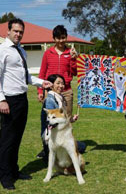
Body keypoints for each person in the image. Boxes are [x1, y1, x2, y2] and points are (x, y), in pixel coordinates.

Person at [0, 18, 52, 190]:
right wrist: (1, 99)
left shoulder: (21, 51)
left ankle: (14, 170)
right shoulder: (0, 51)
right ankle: (5, 176)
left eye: (20, 32)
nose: (18, 34)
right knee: (7, 140)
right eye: (15, 31)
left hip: (21, 100)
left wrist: (42, 83)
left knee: (17, 139)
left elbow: (26, 77)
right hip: (8, 101)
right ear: (8, 31)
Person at [37, 25, 78, 158]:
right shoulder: (48, 53)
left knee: (66, 121)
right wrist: (40, 90)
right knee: (49, 121)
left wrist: (73, 59)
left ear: (66, 37)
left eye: (63, 37)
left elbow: (75, 72)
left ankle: (67, 149)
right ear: (54, 38)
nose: (61, 40)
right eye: (58, 38)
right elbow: (42, 72)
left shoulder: (70, 52)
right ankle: (47, 149)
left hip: (66, 92)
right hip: (50, 92)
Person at [40, 74, 86, 161]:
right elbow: (51, 122)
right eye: (58, 83)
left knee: (81, 146)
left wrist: (71, 119)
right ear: (51, 84)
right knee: (80, 147)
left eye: (62, 83)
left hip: (59, 133)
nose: (61, 86)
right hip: (52, 135)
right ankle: (49, 151)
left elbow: (60, 119)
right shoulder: (50, 99)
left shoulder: (59, 97)